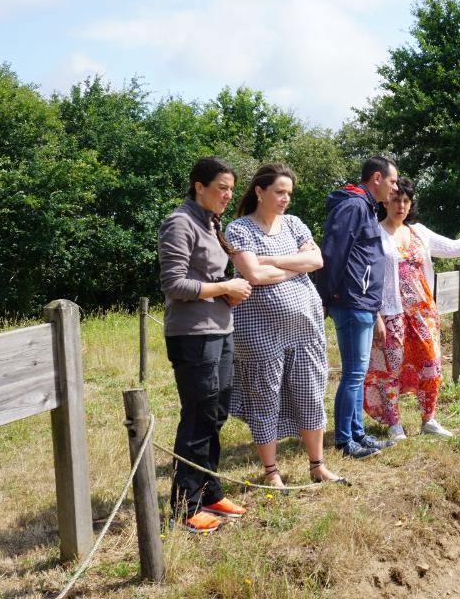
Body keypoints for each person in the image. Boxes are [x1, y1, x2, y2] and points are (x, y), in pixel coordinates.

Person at [364, 177, 460, 439]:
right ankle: (394, 424)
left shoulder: (419, 232)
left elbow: (455, 246)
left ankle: (429, 419)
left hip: (423, 311)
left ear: (411, 205)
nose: (401, 205)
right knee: (391, 368)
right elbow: (369, 278)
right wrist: (375, 314)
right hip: (391, 313)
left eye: (406, 201)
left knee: (431, 363)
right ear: (386, 201)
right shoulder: (375, 234)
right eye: (396, 199)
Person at [224, 163, 343, 486]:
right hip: (258, 331)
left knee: (310, 393)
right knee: (266, 398)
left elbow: (316, 261)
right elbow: (253, 275)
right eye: (279, 192)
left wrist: (271, 261)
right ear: (259, 192)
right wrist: (294, 266)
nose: (285, 198)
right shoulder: (239, 230)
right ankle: (271, 472)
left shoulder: (294, 224)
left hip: (305, 329)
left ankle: (317, 465)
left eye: (289, 193)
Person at [158, 156, 252, 534]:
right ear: (199, 186)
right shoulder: (179, 223)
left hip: (220, 329)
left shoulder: (211, 223)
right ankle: (186, 505)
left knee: (216, 413)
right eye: (221, 188)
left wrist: (225, 293)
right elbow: (174, 284)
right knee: (197, 417)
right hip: (192, 335)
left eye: (231, 188)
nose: (228, 195)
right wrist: (225, 287)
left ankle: (209, 490)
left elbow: (205, 276)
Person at [315, 156, 399, 458]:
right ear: (376, 178)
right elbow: (333, 254)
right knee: (353, 372)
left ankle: (358, 434)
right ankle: (344, 440)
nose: (395, 187)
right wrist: (324, 298)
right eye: (392, 181)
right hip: (351, 301)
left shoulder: (364, 207)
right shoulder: (353, 207)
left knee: (358, 372)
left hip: (361, 302)